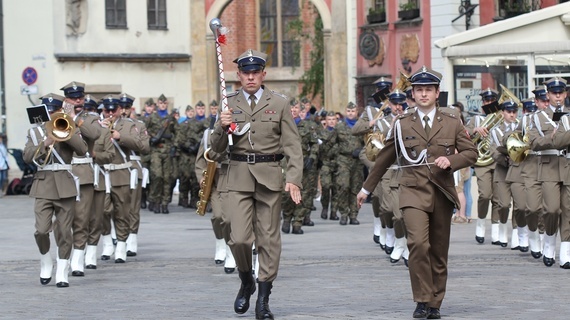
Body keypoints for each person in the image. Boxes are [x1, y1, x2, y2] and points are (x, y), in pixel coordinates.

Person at [357, 66, 477, 319]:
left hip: (442, 192)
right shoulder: (402, 124)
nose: (423, 94)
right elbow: (384, 158)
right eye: (419, 90)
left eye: (428, 90)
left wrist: (451, 161)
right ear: (412, 93)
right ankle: (422, 299)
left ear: (437, 93)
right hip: (412, 191)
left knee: (438, 250)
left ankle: (435, 302)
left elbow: (471, 153)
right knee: (418, 245)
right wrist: (366, 188)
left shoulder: (453, 121)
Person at [210, 49, 302, 319]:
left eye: (255, 73)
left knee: (269, 240)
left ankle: (263, 298)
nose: (250, 77)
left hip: (269, 176)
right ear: (238, 76)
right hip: (237, 175)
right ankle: (246, 279)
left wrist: (293, 178)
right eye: (245, 73)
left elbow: (293, 146)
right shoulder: (228, 103)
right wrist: (220, 127)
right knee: (237, 237)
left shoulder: (280, 103)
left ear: (263, 74)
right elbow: (215, 150)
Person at [23, 93, 88, 287]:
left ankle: (62, 270)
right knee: (41, 230)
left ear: (60, 110)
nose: (51, 113)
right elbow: (27, 157)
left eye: (54, 110)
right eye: (48, 110)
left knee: (64, 231)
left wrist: (66, 133)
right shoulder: (35, 132)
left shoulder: (69, 126)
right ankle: (45, 261)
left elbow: (82, 149)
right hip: (43, 184)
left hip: (65, 185)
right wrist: (45, 142)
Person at [60, 82, 102, 277]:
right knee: (61, 221)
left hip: (83, 172)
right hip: (62, 173)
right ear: (65, 100)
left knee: (82, 218)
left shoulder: (90, 119)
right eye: (73, 98)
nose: (78, 101)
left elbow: (94, 134)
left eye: (80, 98)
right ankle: (63, 256)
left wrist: (75, 119)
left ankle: (77, 258)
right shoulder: (58, 117)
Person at [527, 77, 569, 267]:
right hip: (549, 165)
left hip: (568, 165)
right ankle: (550, 243)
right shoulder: (537, 117)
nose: (558, 96)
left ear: (566, 94)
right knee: (551, 209)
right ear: (548, 95)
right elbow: (534, 142)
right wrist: (552, 139)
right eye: (554, 93)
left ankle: (566, 253)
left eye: (561, 92)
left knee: (568, 211)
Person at [468, 88, 501, 245]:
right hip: (482, 162)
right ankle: (481, 223)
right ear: (482, 103)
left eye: (492, 100)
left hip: (498, 160)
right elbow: (464, 131)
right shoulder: (476, 119)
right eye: (486, 101)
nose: (489, 103)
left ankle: (495, 230)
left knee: (498, 197)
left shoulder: (501, 117)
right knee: (485, 195)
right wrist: (475, 130)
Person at [120, 93, 150, 257]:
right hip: (116, 167)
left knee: (133, 205)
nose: (124, 111)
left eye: (126, 108)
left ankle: (132, 237)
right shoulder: (112, 124)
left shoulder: (139, 125)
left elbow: (144, 147)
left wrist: (123, 138)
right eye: (121, 107)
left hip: (133, 166)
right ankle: (117, 234)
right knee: (115, 206)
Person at [147, 94, 177, 213]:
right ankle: (155, 200)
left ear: (167, 104)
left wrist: (173, 143)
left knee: (166, 178)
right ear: (157, 104)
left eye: (165, 103)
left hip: (167, 150)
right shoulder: (152, 117)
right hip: (155, 150)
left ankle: (164, 203)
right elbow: (144, 131)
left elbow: (178, 132)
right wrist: (152, 139)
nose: (163, 105)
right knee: (157, 176)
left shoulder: (171, 119)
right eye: (161, 103)